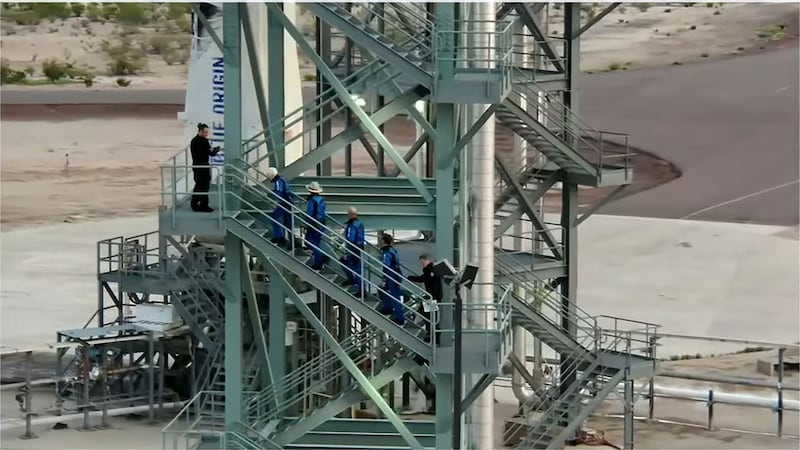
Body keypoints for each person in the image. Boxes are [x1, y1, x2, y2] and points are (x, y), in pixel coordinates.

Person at [407, 253, 442, 343]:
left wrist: (412, 278)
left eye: (422, 263)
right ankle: (433, 334)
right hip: (434, 296)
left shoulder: (430, 270)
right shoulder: (433, 270)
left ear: (427, 260)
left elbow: (424, 279)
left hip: (432, 297)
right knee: (430, 316)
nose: (422, 265)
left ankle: (432, 335)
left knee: (429, 315)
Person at [190, 123, 220, 212]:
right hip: (199, 165)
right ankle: (196, 204)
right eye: (205, 132)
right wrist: (210, 150)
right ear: (200, 131)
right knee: (200, 185)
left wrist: (215, 151)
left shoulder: (204, 141)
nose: (206, 134)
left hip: (204, 165)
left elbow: (210, 153)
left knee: (205, 185)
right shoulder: (195, 141)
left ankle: (202, 204)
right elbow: (201, 153)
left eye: (207, 132)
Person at [379, 234, 405, 325]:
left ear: (383, 241)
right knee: (384, 290)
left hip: (391, 275)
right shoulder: (393, 250)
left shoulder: (387, 252)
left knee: (394, 295)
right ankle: (388, 308)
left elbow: (387, 266)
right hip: (396, 274)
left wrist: (385, 278)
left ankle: (399, 317)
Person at [340, 207, 365, 293]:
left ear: (350, 214)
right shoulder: (359, 224)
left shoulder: (352, 225)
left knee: (345, 262)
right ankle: (361, 288)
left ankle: (356, 284)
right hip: (359, 248)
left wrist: (349, 251)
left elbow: (351, 238)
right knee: (358, 269)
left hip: (353, 249)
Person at [266, 167, 293, 246]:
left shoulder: (278, 182)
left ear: (271, 175)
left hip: (283, 203)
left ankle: (279, 237)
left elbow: (278, 192)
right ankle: (292, 240)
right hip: (288, 203)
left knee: (275, 217)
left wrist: (272, 197)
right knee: (288, 223)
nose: (268, 178)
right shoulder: (282, 180)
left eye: (268, 176)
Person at [305, 181, 327, 270]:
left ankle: (319, 259)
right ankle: (320, 258)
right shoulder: (321, 199)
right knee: (316, 242)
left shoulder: (311, 200)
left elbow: (310, 213)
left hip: (314, 223)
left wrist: (307, 223)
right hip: (321, 222)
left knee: (311, 242)